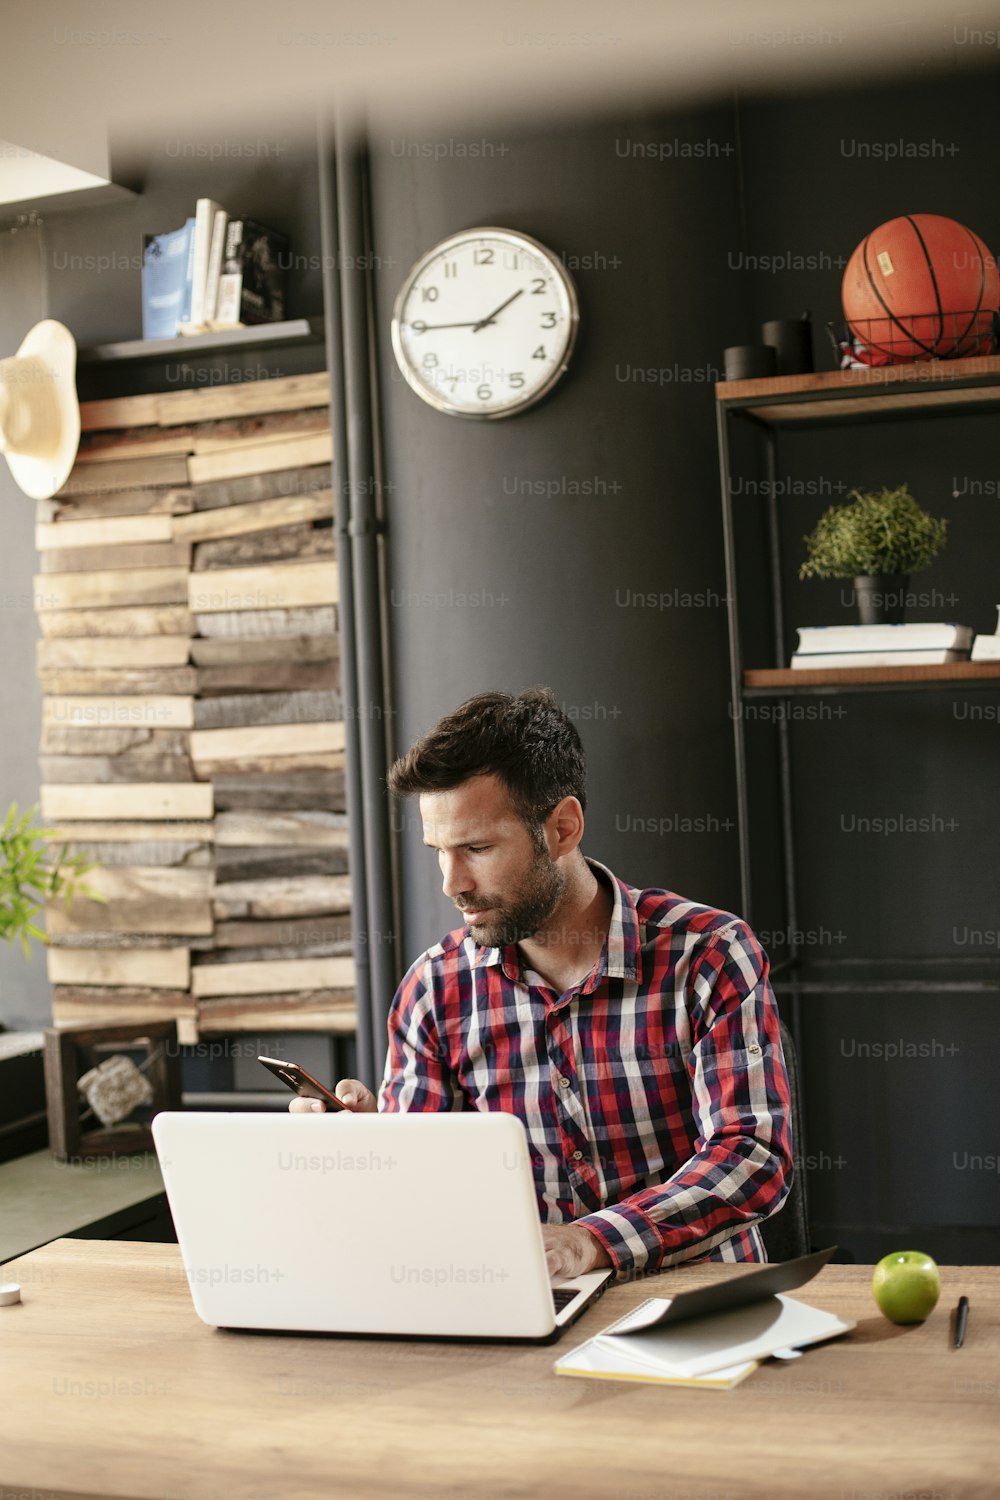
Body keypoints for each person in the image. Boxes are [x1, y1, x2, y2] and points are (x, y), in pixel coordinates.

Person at [290, 687, 793, 1283]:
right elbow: (423, 1198)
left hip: (694, 1301)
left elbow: (751, 1157)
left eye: (477, 848)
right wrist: (372, 1153)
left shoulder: (708, 955)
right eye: (439, 852)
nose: (453, 884)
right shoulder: (434, 988)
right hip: (520, 1307)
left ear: (562, 828)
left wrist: (590, 1242)